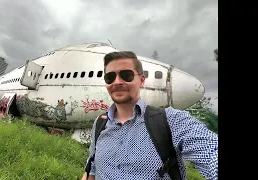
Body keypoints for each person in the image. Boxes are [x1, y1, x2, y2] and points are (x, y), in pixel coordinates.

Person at [81, 51, 218, 180]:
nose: (117, 82)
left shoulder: (171, 121)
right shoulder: (100, 123)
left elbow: (211, 151)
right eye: (110, 77)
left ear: (141, 80)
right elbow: (91, 171)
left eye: (126, 75)